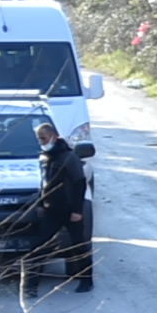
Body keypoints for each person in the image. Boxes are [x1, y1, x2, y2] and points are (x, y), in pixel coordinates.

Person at [35, 116, 93, 289]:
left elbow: (79, 182)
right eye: (39, 139)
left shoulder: (69, 157)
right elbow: (44, 183)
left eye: (43, 138)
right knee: (39, 246)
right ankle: (30, 285)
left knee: (78, 246)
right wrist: (40, 203)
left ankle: (86, 280)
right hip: (52, 210)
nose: (41, 142)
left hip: (70, 211)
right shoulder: (44, 158)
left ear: (53, 136)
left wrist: (77, 210)